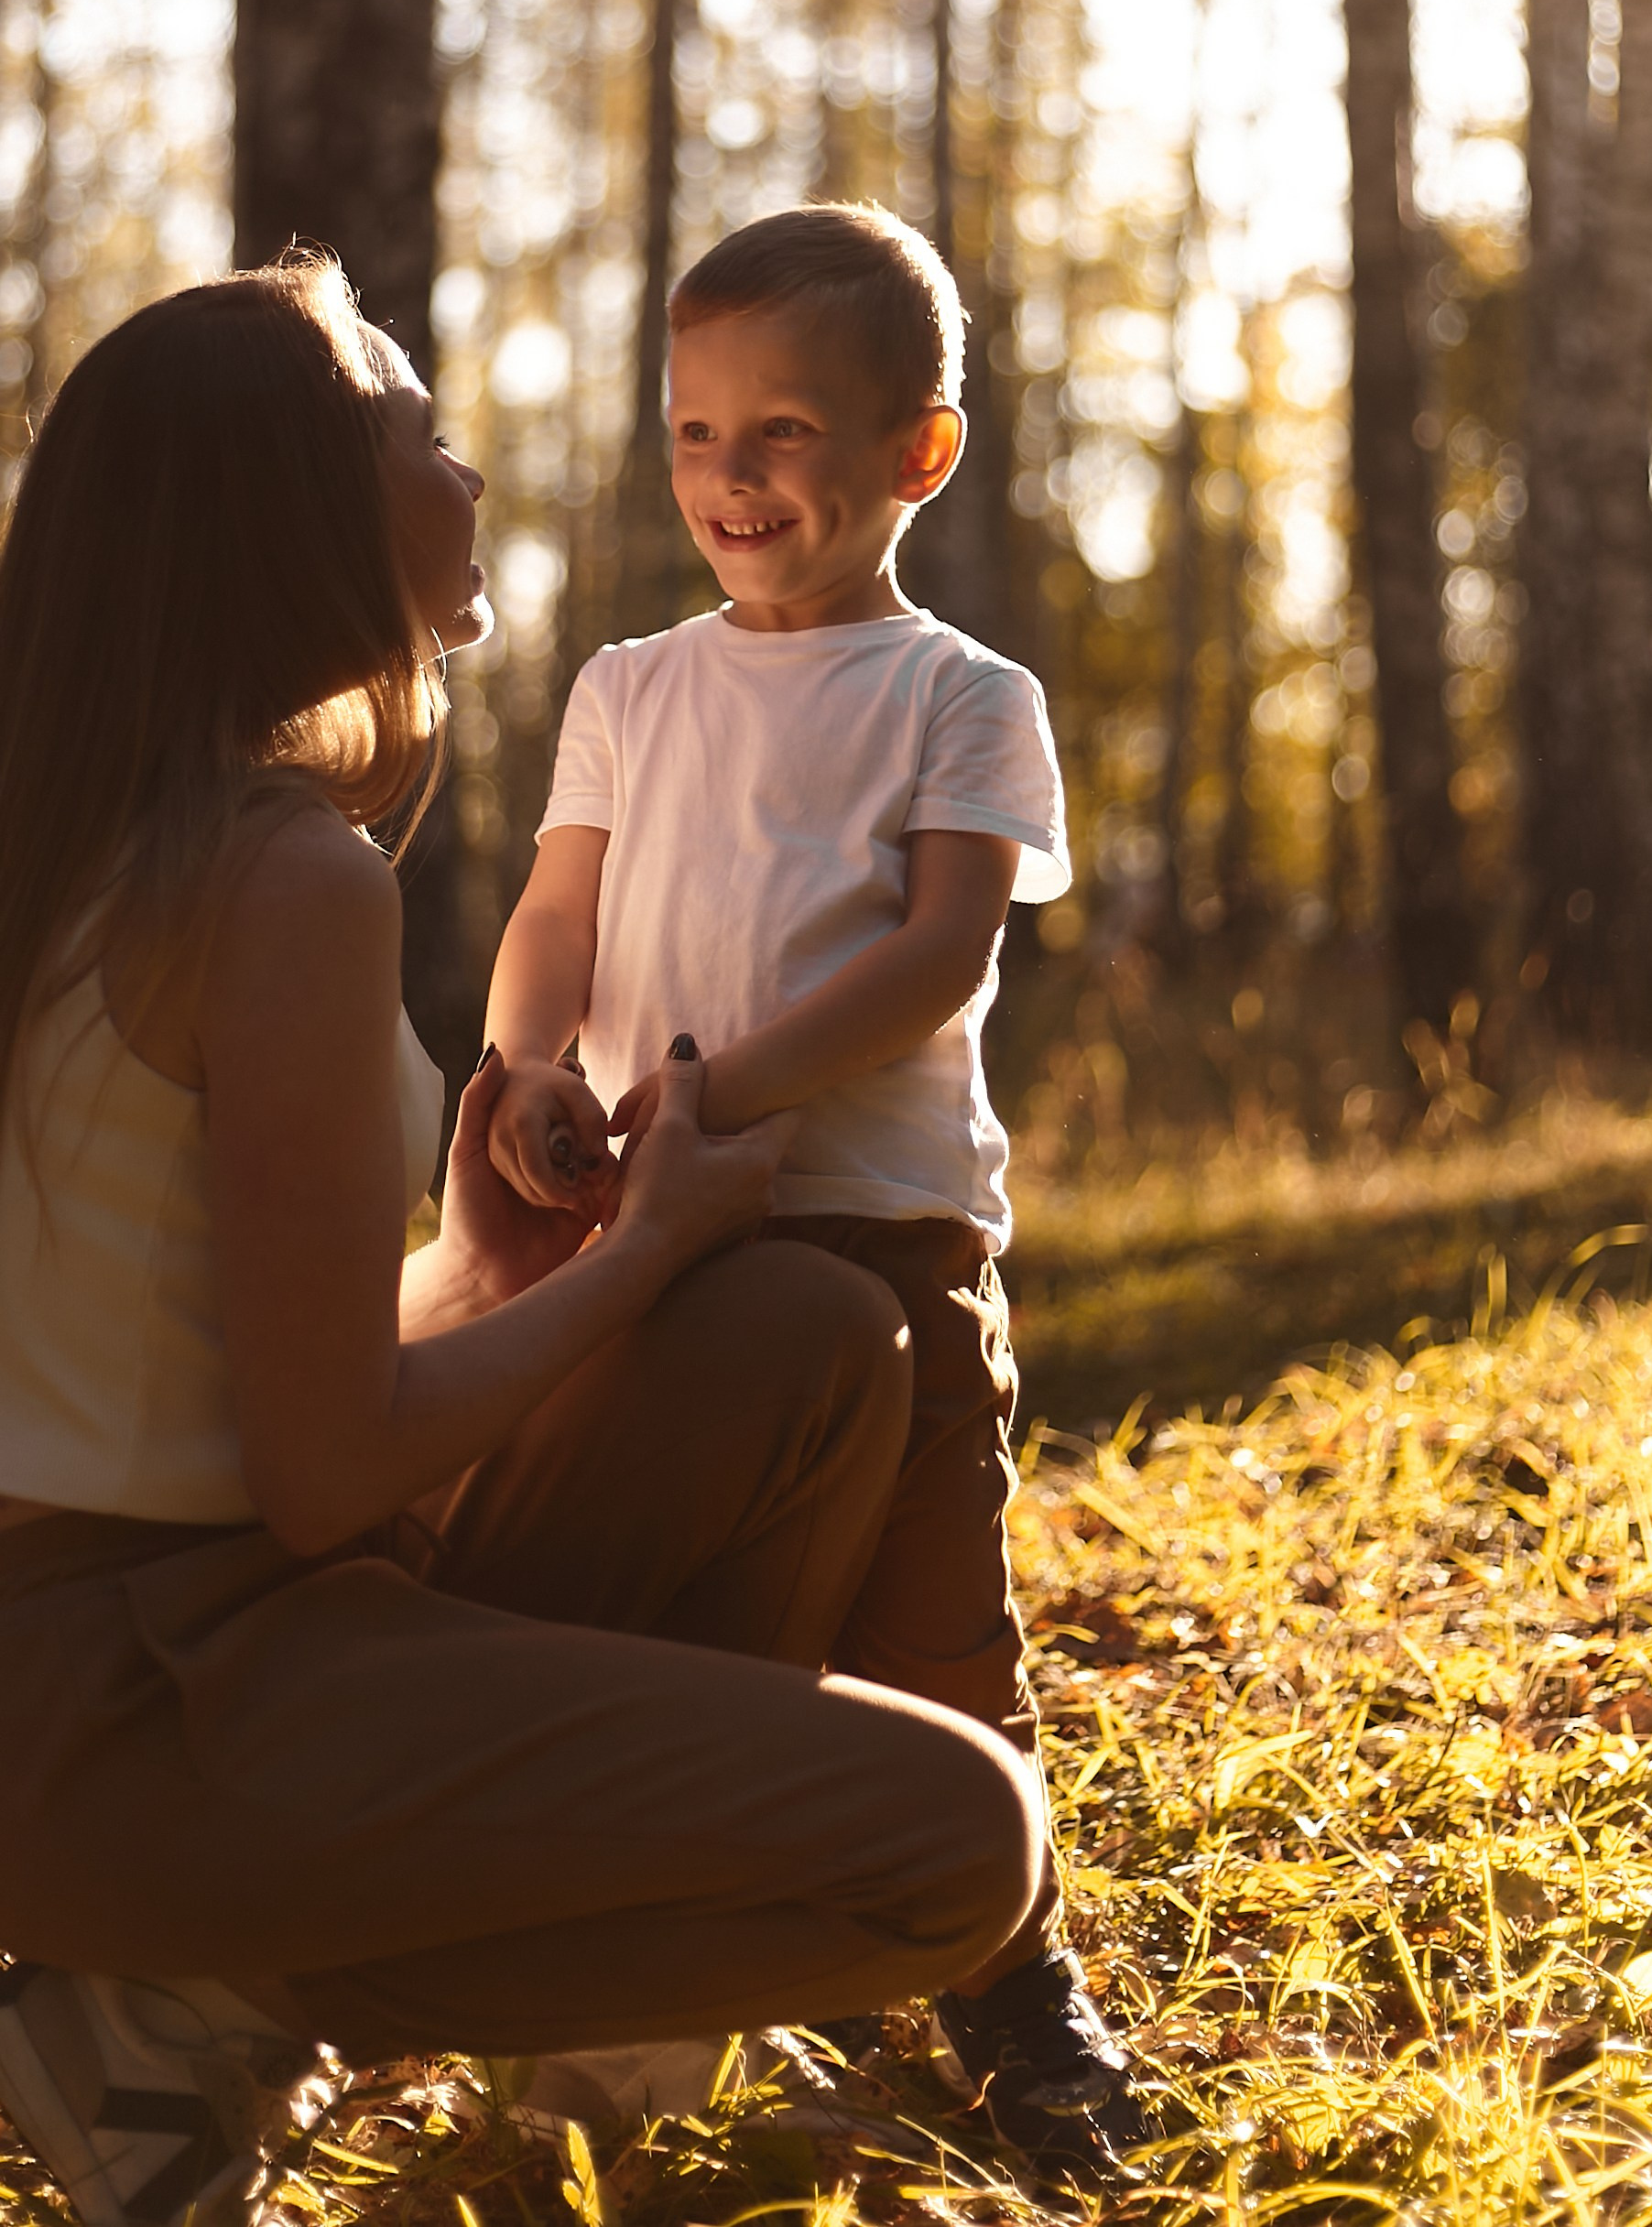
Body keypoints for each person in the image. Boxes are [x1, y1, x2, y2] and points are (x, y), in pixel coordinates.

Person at [0, 254, 1041, 2227]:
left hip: (140, 1658)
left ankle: (500, 2027)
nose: (470, 473)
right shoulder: (285, 880)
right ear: (301, 509)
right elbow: (320, 1479)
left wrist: (491, 1265)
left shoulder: (147, 847)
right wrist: (638, 1255)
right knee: (958, 1849)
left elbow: (214, 1380)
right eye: (419, 430)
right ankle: (204, 2015)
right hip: (146, 1707)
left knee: (812, 1345)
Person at [484, 201, 1144, 2174]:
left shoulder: (963, 698)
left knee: (932, 1620)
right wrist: (529, 1063)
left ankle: (1014, 1984)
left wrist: (711, 1090)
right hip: (652, 1244)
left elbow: (938, 956)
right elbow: (554, 914)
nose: (732, 479)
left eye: (784, 433)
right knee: (694, 1610)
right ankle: (680, 1959)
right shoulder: (628, 686)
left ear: (915, 454)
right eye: (696, 433)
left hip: (885, 1228)